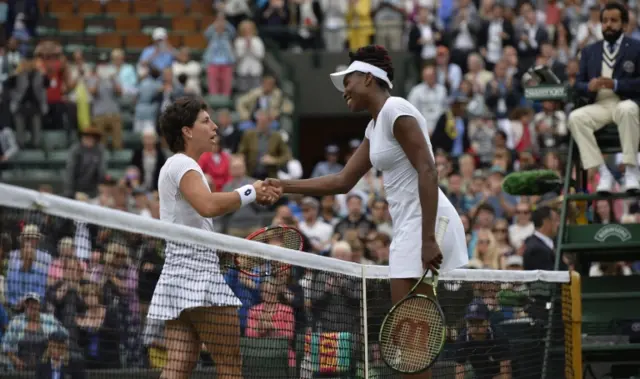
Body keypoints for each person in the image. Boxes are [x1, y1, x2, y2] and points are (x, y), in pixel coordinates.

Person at [264, 45, 469, 379]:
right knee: (409, 342)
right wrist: (285, 186)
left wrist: (428, 237)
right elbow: (342, 181)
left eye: (349, 80)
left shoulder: (396, 110)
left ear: (370, 79)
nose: (344, 89)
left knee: (411, 342)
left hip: (426, 224)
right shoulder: (375, 128)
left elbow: (429, 170)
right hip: (413, 227)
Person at [146, 96, 279, 379]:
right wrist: (251, 191)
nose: (215, 126)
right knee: (230, 366)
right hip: (198, 278)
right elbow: (208, 205)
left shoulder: (173, 166)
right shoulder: (184, 165)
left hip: (176, 277)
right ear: (187, 131)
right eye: (206, 121)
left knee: (178, 366)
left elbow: (193, 222)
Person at [568, 1, 640, 193]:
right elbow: (578, 85)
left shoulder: (636, 47)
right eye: (605, 21)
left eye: (613, 20)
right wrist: (589, 86)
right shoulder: (590, 51)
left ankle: (632, 170)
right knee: (575, 118)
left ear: (624, 25)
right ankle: (602, 171)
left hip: (626, 102)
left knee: (627, 109)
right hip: (600, 104)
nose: (608, 25)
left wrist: (616, 84)